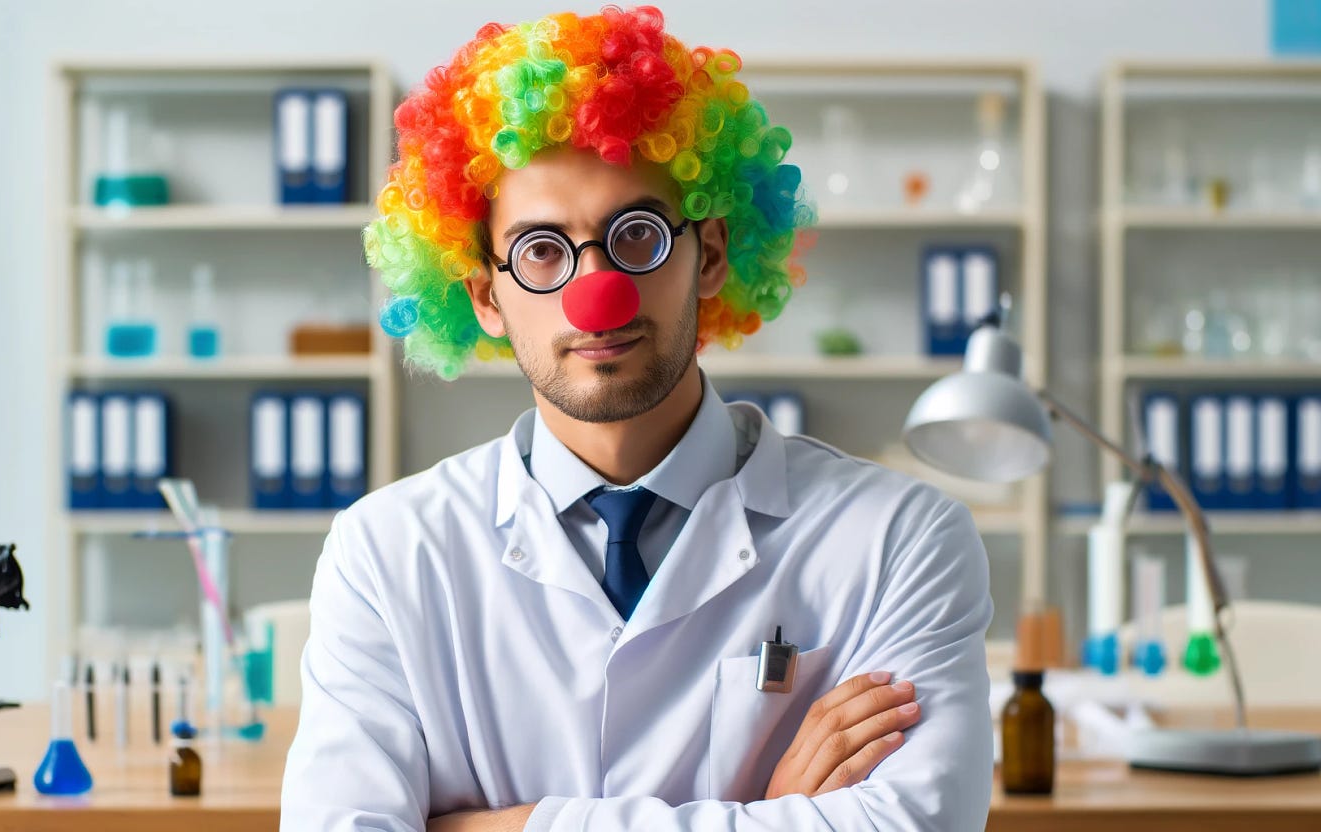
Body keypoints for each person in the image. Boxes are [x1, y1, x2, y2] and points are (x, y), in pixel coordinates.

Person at [281, 6, 993, 830]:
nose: (597, 295)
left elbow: (916, 824)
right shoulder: (386, 551)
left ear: (713, 255)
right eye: (542, 249)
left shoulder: (901, 536)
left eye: (638, 235)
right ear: (484, 296)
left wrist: (486, 825)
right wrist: (770, 815)